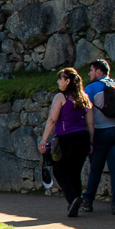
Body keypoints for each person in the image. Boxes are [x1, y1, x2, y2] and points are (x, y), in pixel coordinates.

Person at [37, 68, 96, 219]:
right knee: (75, 172)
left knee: (59, 171)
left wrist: (44, 139)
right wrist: (90, 142)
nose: (58, 82)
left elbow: (52, 119)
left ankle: (73, 199)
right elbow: (90, 123)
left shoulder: (61, 97)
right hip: (82, 138)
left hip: (66, 138)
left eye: (60, 79)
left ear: (67, 81)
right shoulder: (85, 98)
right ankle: (74, 203)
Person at [82, 59, 115, 215]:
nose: (90, 73)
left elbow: (85, 110)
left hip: (99, 132)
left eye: (91, 70)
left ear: (99, 71)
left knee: (95, 169)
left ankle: (88, 201)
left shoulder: (91, 88)